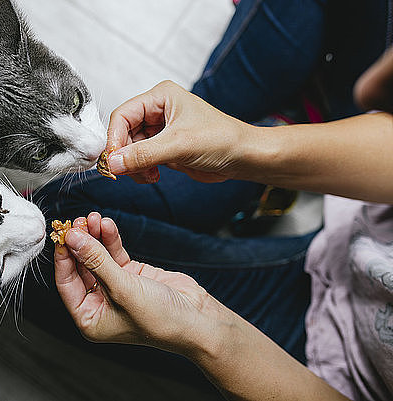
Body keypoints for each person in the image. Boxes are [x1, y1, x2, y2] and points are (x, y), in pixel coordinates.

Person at [51, 46, 393, 400]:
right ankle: (278, 130)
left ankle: (276, 120)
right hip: (346, 244)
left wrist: (205, 332)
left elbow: (369, 93)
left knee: (54, 230)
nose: (369, 94)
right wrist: (244, 146)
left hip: (320, 360)